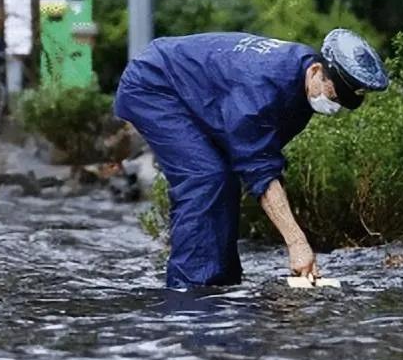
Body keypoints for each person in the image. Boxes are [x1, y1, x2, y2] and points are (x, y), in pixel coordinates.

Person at [114, 30, 388, 289]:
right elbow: (260, 171)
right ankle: (189, 295)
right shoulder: (261, 90)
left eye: (341, 104)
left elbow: (257, 157)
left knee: (224, 178)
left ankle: (223, 282)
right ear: (317, 71)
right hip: (154, 85)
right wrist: (297, 242)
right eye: (333, 96)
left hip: (198, 95)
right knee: (205, 177)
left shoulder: (302, 79)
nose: (333, 106)